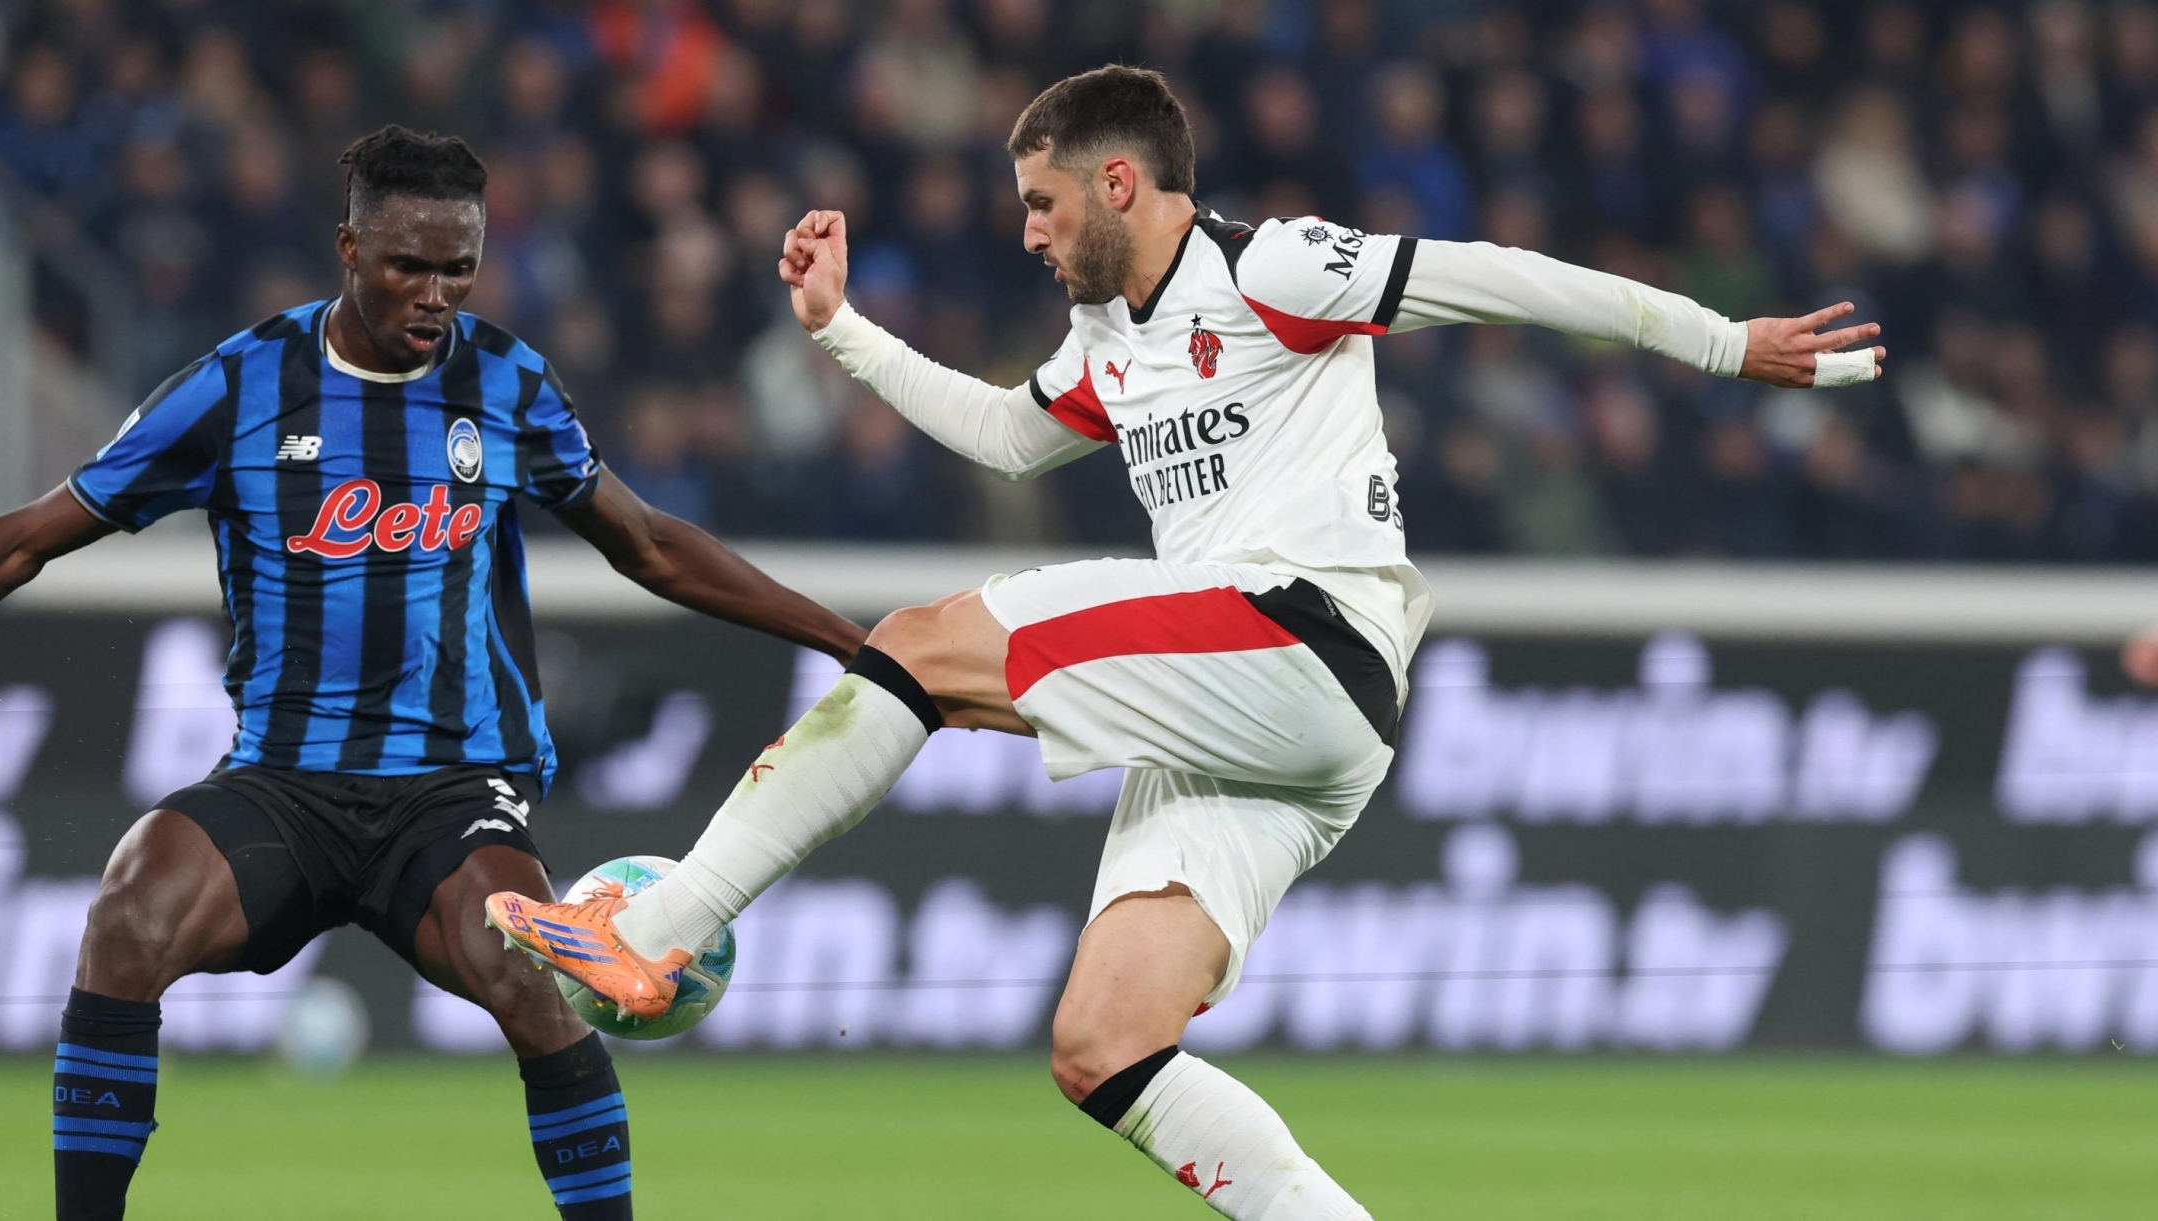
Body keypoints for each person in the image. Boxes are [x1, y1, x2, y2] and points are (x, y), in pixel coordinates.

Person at [487, 67, 1884, 1219]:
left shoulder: (1274, 266)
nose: (1027, 235)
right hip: (1273, 732)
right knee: (1104, 1045)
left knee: (920, 641)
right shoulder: (1107, 343)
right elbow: (1003, 436)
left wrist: (1723, 345)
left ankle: (659, 929)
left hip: (1307, 633)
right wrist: (841, 330)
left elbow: (1502, 277)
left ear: (1118, 184)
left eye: (1041, 204)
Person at [0, 125, 864, 1221]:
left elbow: (644, 543)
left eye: (460, 267)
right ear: (349, 248)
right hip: (282, 781)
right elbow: (30, 536)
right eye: (409, 265)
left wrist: (846, 639)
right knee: (129, 908)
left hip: (454, 783)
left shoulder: (505, 381)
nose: (436, 294)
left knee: (530, 972)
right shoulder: (240, 384)